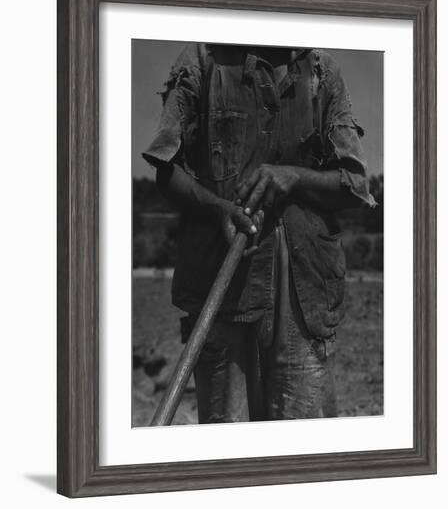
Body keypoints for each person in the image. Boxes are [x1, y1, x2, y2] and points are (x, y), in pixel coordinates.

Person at [142, 43, 376, 423]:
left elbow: (354, 183)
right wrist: (218, 207)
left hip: (305, 290)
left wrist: (294, 177)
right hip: (219, 283)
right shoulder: (203, 61)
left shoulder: (321, 70)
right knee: (227, 449)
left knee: (302, 452)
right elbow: (167, 170)